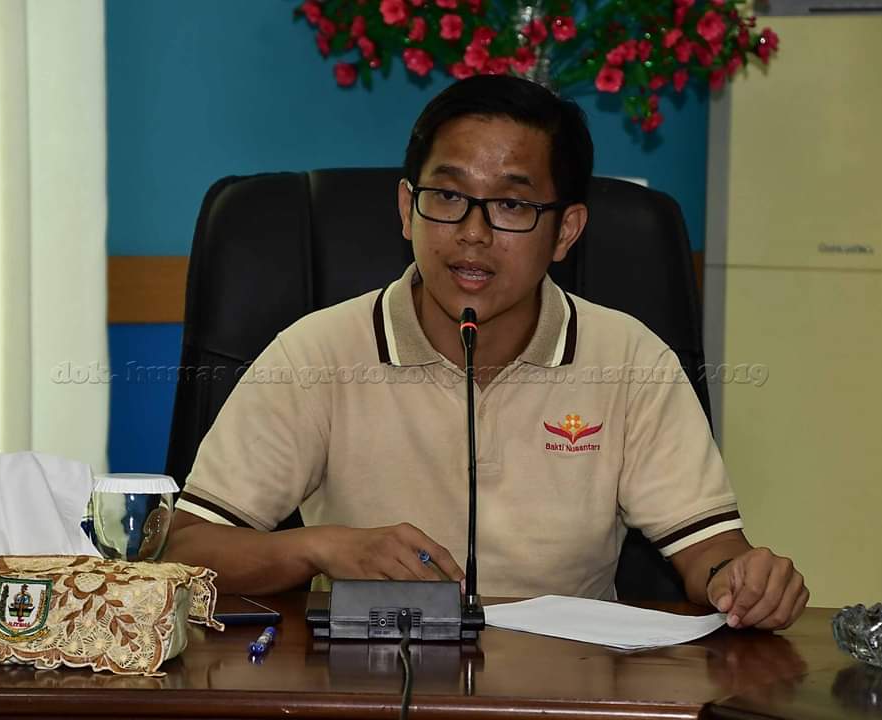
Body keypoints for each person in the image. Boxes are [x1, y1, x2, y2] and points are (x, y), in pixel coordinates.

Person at [164, 75, 808, 630]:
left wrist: (744, 580)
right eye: (447, 197)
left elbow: (709, 553)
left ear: (566, 231)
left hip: (568, 690)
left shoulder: (632, 361)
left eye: (512, 205)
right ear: (406, 210)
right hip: (374, 684)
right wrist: (320, 548)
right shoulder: (315, 355)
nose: (473, 234)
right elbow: (183, 550)